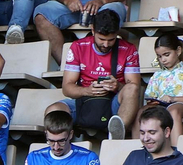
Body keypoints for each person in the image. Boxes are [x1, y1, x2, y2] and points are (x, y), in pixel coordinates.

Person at [51, 9, 140, 139]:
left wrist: (117, 86)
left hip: (115, 102)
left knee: (132, 88)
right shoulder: (78, 47)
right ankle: (63, 151)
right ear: (92, 30)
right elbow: (67, 88)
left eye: (111, 40)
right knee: (53, 111)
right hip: (84, 101)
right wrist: (88, 91)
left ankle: (115, 135)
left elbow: (134, 87)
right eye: (101, 39)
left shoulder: (128, 49)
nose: (106, 44)